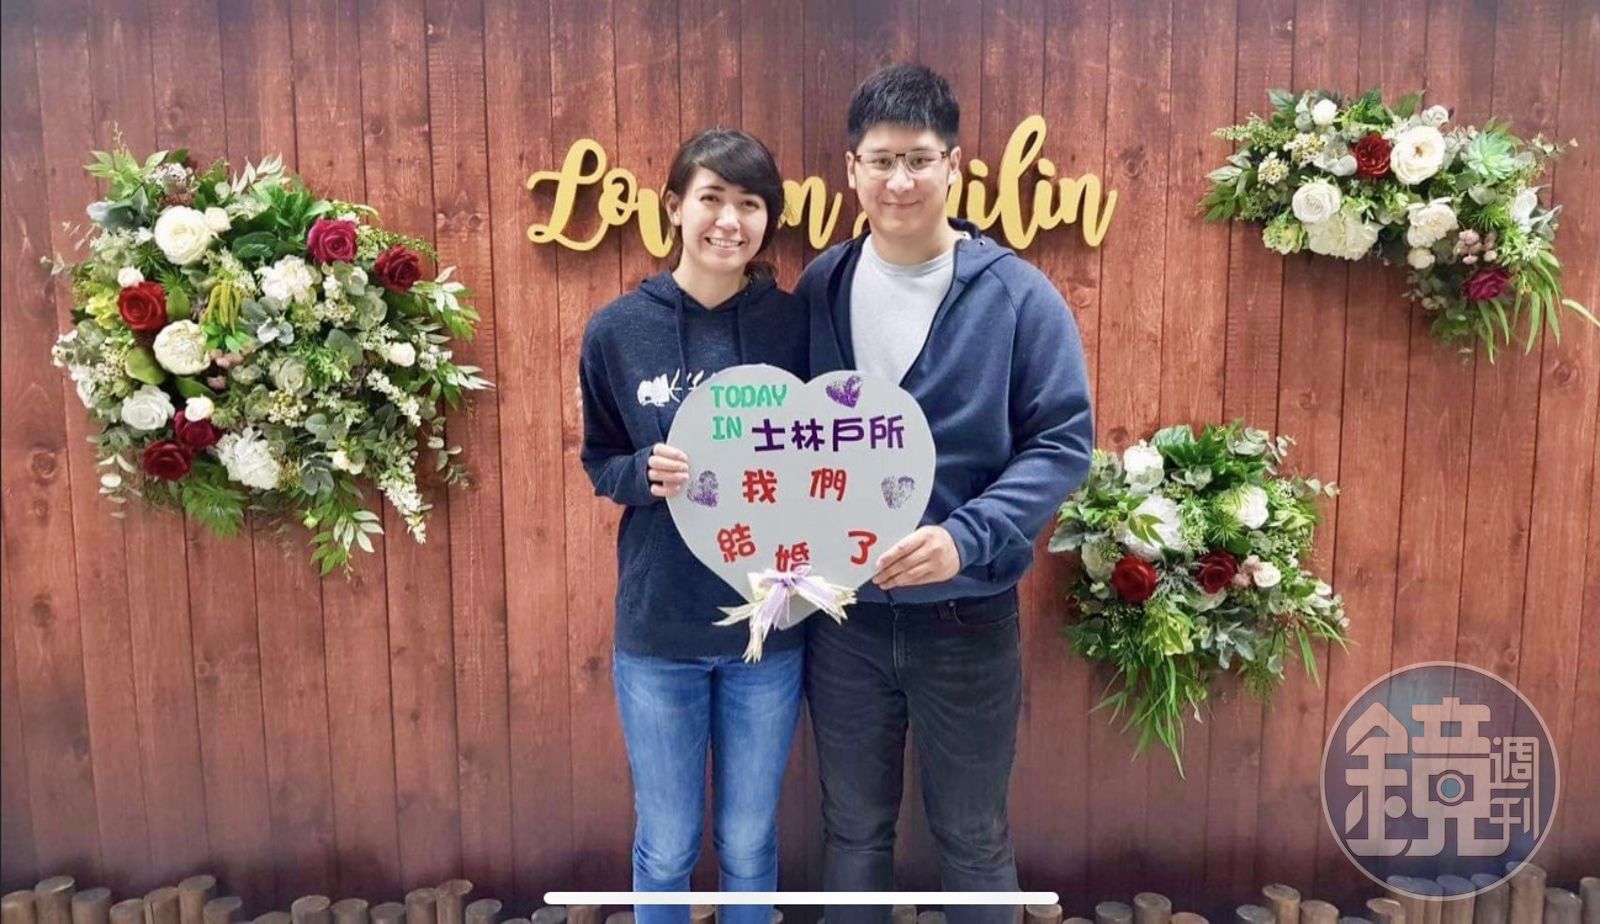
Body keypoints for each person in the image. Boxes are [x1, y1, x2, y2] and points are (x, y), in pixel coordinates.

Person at [797, 63, 1095, 924]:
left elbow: (1062, 441)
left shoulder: (1016, 295)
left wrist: (966, 536)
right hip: (844, 620)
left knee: (973, 838)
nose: (900, 181)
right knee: (852, 833)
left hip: (968, 618)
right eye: (881, 160)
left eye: (919, 159)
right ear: (851, 169)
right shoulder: (822, 285)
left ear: (954, 165)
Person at [578, 129, 807, 924]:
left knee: (748, 840)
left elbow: (830, 454)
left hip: (768, 631)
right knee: (668, 844)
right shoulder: (616, 330)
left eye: (750, 204)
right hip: (658, 630)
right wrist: (640, 473)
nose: (729, 221)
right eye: (712, 198)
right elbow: (600, 459)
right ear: (674, 207)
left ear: (768, 220)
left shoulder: (796, 326)